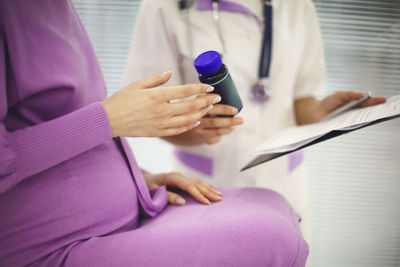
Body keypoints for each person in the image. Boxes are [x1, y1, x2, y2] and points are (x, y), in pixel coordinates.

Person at [0, 1, 309, 266]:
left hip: (138, 201)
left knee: (270, 205)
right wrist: (108, 118)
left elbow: (52, 126)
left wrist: (138, 177)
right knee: (271, 237)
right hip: (56, 241)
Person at [124, 0, 386, 244]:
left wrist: (318, 112)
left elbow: (300, 100)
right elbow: (149, 113)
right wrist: (195, 128)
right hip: (207, 187)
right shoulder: (163, 6)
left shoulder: (297, 5)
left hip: (283, 184)